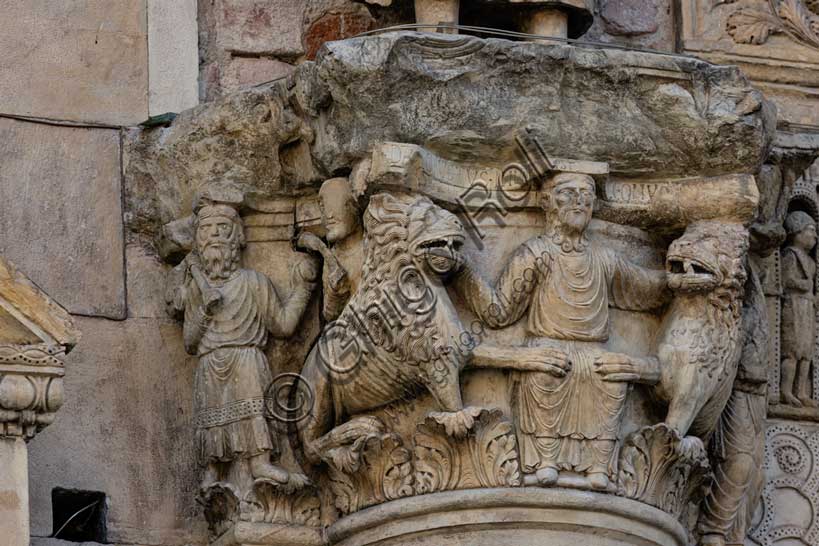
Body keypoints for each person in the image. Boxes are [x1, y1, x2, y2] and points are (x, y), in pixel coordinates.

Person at [454, 172, 669, 491]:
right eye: (568, 193)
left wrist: (680, 277)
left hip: (594, 351)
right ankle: (545, 460)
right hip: (545, 348)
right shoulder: (536, 253)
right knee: (545, 376)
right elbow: (499, 312)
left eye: (586, 196)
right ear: (546, 203)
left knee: (610, 379)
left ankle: (599, 465)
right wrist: (461, 270)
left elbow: (645, 290)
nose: (580, 201)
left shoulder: (603, 257)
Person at [167, 193, 318, 490]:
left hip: (247, 359)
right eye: (206, 231)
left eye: (222, 230)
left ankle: (260, 463)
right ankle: (213, 470)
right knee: (213, 422)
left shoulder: (253, 281)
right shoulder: (197, 289)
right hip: (211, 363)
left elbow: (284, 325)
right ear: (197, 242)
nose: (214, 237)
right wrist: (203, 313)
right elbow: (189, 342)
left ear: (237, 239)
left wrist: (304, 288)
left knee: (251, 412)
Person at [297, 177, 364, 321]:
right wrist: (335, 293)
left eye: (336, 203)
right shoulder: (333, 256)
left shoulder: (371, 247)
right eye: (323, 207)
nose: (328, 216)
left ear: (354, 207)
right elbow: (329, 314)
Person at [780, 210, 817, 407]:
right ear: (797, 232)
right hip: (793, 305)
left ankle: (801, 391)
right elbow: (785, 280)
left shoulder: (810, 262)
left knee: (806, 353)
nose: (814, 236)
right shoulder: (790, 255)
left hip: (807, 308)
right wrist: (802, 285)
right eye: (810, 231)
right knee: (792, 351)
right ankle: (786, 391)